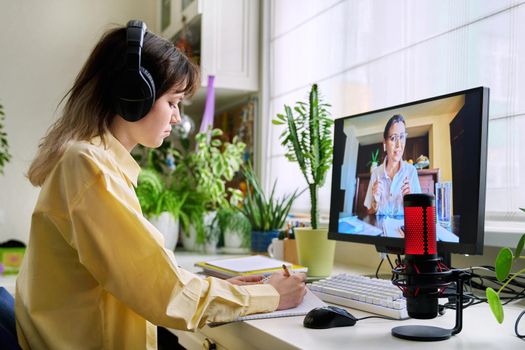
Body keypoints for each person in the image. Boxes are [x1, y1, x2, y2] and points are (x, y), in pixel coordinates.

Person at [16, 21, 306, 350]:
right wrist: (268, 295)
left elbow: (146, 275)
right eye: (173, 102)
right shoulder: (88, 166)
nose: (178, 117)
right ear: (133, 96)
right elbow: (162, 292)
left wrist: (221, 288)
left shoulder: (90, 161)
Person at [364, 114, 421, 216]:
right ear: (385, 143)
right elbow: (369, 211)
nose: (399, 145)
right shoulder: (376, 173)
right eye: (393, 138)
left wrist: (410, 202)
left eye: (402, 137)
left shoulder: (411, 171)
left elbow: (418, 214)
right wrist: (375, 202)